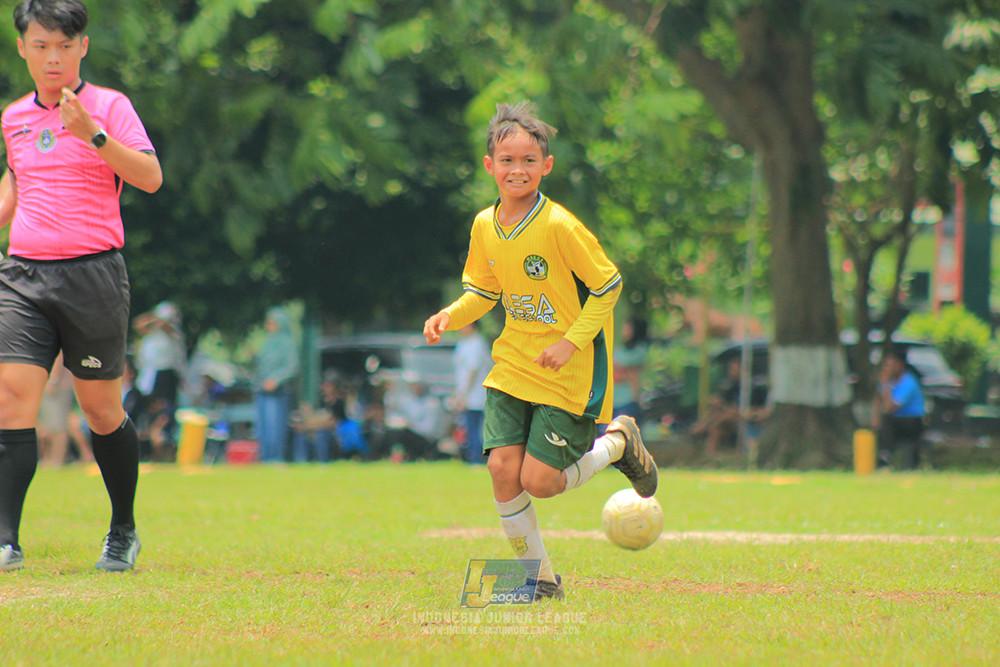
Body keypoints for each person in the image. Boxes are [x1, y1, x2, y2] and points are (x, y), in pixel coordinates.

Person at [423, 101, 658, 601]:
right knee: (502, 469)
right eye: (507, 160)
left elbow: (609, 285)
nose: (517, 169)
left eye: (529, 160)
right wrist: (450, 314)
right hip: (513, 363)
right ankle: (540, 580)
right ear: (490, 166)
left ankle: (618, 444)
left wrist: (571, 342)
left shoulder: (559, 226)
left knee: (542, 481)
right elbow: (483, 292)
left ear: (546, 166)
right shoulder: (484, 225)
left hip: (569, 368)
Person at [0, 0, 162, 572]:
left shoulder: (110, 108)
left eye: (64, 47)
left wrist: (92, 135)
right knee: (11, 395)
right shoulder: (14, 117)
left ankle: (122, 529)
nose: (53, 58)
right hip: (23, 275)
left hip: (92, 273)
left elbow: (149, 177)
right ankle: (5, 539)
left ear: (82, 48)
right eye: (41, 46)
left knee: (100, 410)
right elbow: (15, 187)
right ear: (22, 47)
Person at [253, 306, 299, 462]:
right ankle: (265, 458)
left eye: (272, 323)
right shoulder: (267, 342)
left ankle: (276, 458)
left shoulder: (287, 343)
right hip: (262, 391)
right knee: (263, 429)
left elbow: (292, 367)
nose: (269, 326)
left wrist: (276, 379)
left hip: (278, 393)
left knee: (275, 428)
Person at [872, 346, 926, 470]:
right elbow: (877, 400)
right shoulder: (888, 382)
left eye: (889, 365)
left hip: (912, 421)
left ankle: (885, 458)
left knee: (887, 421)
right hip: (896, 421)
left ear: (900, 365)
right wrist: (875, 418)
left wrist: (884, 384)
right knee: (883, 423)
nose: (886, 369)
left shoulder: (908, 382)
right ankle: (880, 457)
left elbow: (890, 407)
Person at [452, 321, 493, 464]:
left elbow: (473, 370)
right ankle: (472, 457)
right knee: (469, 427)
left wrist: (464, 394)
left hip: (476, 395)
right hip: (467, 394)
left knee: (476, 428)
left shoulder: (477, 343)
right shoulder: (463, 343)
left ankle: (477, 459)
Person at [611, 317, 649, 421]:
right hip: (613, 399)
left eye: (628, 329)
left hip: (628, 400)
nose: (625, 332)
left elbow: (621, 365)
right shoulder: (619, 349)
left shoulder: (640, 351)